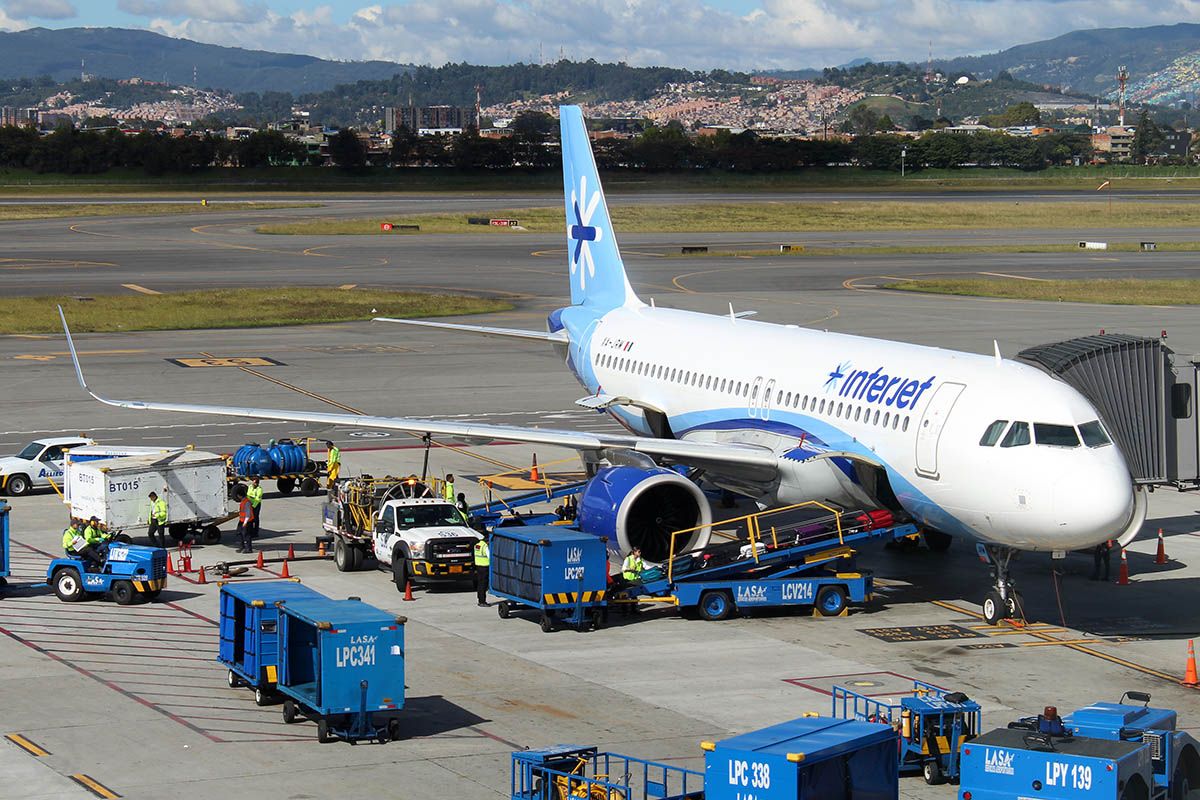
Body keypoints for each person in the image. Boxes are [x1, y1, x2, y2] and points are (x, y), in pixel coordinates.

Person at [235, 486, 255, 554]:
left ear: (239, 495)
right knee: (239, 533)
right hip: (242, 520)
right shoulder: (243, 501)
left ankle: (249, 549)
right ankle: (242, 546)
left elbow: (248, 513)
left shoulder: (246, 502)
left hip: (247, 521)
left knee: (246, 534)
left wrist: (245, 522)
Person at [473, 533, 490, 607]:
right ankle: (482, 601)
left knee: (480, 584)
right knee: (483, 584)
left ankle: (480, 600)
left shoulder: (477, 545)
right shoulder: (485, 546)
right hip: (484, 567)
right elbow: (489, 556)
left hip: (478, 566)